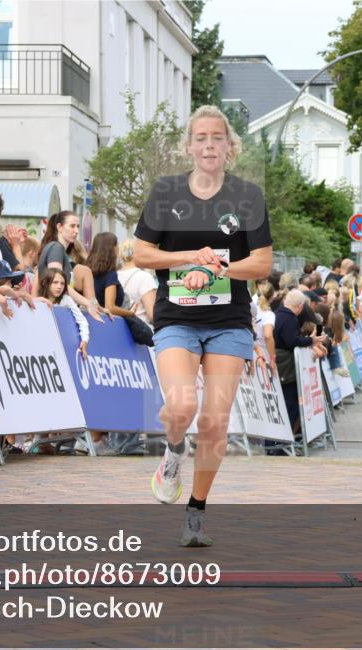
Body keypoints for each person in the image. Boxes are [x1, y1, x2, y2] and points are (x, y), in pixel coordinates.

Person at [132, 104, 273, 547]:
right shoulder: (166, 192)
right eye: (201, 137)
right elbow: (141, 255)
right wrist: (189, 259)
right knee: (180, 407)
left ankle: (195, 511)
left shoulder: (247, 197)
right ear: (189, 146)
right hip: (177, 318)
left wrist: (216, 270)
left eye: (217, 137)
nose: (209, 145)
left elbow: (263, 263)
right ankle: (174, 451)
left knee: (214, 422)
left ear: (230, 147)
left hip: (229, 321)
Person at [274, 290, 328, 441]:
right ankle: (281, 443)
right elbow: (292, 341)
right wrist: (311, 340)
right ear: (299, 306)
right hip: (287, 366)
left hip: (283, 364)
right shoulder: (289, 318)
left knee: (286, 403)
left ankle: (280, 442)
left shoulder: (279, 313)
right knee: (289, 404)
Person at [36, 210, 103, 320]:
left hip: (53, 311)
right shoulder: (56, 248)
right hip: (52, 313)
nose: (76, 231)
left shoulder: (58, 249)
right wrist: (88, 303)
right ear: (60, 227)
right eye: (72, 226)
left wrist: (95, 306)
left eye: (78, 226)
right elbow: (57, 282)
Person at [38, 267, 89, 359]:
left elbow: (82, 321)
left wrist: (84, 340)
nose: (59, 286)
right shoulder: (39, 301)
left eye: (62, 283)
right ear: (46, 283)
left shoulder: (66, 300)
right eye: (55, 282)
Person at [86, 232, 137, 320]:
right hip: (110, 323)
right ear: (113, 248)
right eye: (117, 245)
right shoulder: (110, 274)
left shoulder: (87, 271)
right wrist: (131, 313)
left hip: (91, 319)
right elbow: (110, 307)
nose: (118, 248)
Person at [117, 238, 157, 325]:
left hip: (119, 328)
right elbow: (152, 315)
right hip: (139, 330)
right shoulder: (145, 277)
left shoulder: (114, 276)